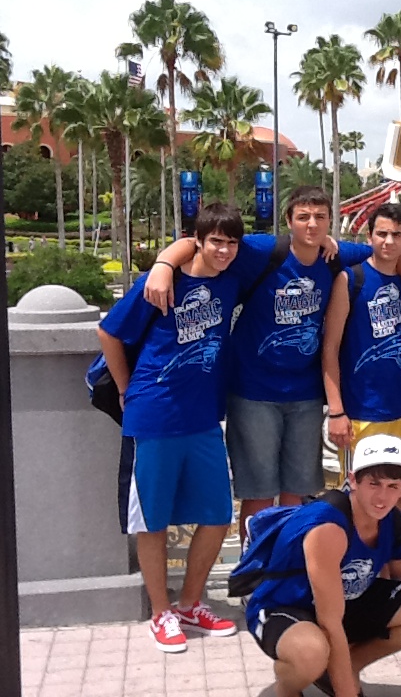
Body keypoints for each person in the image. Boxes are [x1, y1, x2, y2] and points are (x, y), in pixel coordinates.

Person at [143, 187, 401, 542]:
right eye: (303, 217)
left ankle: (289, 561)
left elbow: (389, 252)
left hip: (305, 395)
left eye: (320, 217)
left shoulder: (336, 255)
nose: (312, 224)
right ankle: (257, 564)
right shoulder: (265, 250)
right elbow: (205, 241)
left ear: (329, 221)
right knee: (259, 495)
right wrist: (163, 264)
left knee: (297, 493)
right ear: (288, 220)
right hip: (254, 393)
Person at [97, 204, 244, 652]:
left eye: (231, 242)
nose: (224, 250)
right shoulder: (160, 282)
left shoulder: (231, 280)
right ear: (196, 241)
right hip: (154, 416)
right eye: (215, 241)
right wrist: (126, 389)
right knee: (153, 520)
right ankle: (161, 613)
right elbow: (109, 333)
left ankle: (190, 604)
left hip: (203, 419)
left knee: (217, 515)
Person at [245, 434, 401, 697]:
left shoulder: (400, 525)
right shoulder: (328, 526)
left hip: (343, 602)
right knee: (310, 652)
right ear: (352, 480)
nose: (382, 497)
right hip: (284, 607)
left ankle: (345, 668)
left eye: (393, 486)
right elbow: (330, 622)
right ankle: (287, 686)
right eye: (373, 484)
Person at [323, 203, 401, 511]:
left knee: (398, 494)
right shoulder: (351, 280)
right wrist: (337, 411)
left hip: (400, 412)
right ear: (370, 237)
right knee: (359, 497)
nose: (388, 241)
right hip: (359, 412)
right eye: (381, 234)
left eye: (396, 235)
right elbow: (330, 347)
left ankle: (396, 546)